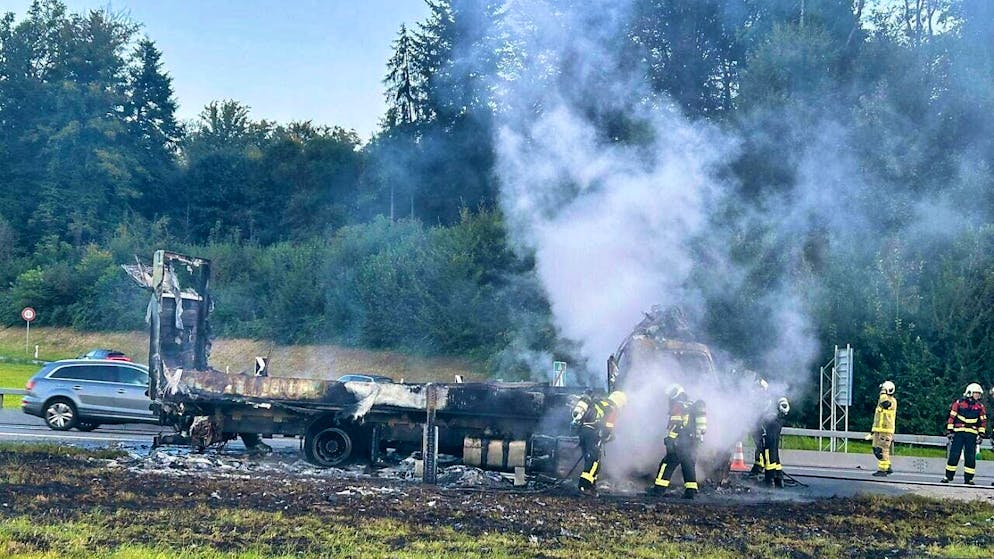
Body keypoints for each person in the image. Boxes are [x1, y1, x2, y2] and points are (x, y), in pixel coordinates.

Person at [649, 383, 708, 499]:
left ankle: (658, 490)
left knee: (666, 464)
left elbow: (675, 424)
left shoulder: (678, 406)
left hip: (680, 442)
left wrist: (670, 439)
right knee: (688, 465)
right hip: (692, 442)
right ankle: (691, 491)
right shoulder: (691, 405)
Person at [572, 390, 627, 495]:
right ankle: (584, 486)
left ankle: (591, 485)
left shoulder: (600, 402)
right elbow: (608, 428)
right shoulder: (612, 408)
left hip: (583, 431)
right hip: (592, 433)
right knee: (593, 460)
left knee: (591, 459)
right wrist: (609, 437)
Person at [942, 383, 987, 485]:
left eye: (979, 394)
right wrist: (950, 431)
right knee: (954, 455)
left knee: (970, 457)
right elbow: (951, 417)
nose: (978, 395)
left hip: (972, 434)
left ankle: (969, 479)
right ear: (969, 393)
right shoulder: (959, 403)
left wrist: (981, 434)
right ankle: (948, 477)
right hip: (959, 433)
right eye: (976, 393)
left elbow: (983, 422)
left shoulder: (980, 407)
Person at [748, 377, 789, 487]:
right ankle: (778, 479)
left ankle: (769, 480)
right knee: (773, 452)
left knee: (769, 452)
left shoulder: (766, 397)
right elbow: (784, 408)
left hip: (770, 426)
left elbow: (760, 413)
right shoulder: (772, 395)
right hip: (774, 425)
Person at [869, 380, 897, 477]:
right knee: (875, 449)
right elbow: (878, 417)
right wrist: (873, 430)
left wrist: (883, 393)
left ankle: (883, 470)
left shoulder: (891, 401)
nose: (881, 391)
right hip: (879, 430)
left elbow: (886, 404)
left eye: (883, 389)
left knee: (882, 450)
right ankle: (888, 467)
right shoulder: (881, 399)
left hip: (886, 430)